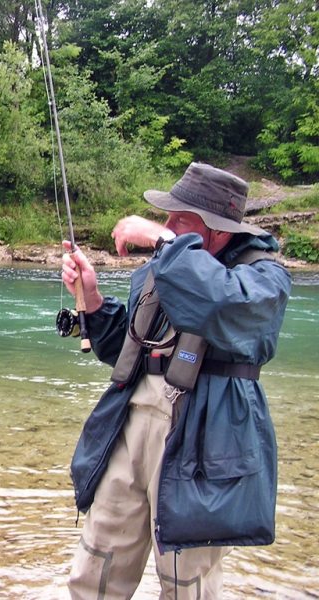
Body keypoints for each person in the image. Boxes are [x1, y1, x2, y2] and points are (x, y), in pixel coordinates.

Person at [60, 163, 291, 598]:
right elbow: (128, 349)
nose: (167, 225)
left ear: (217, 231)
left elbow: (220, 305)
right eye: (167, 219)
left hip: (204, 442)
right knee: (97, 562)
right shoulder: (163, 268)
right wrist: (92, 298)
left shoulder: (265, 279)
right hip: (130, 429)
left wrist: (164, 241)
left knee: (187, 581)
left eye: (179, 219)